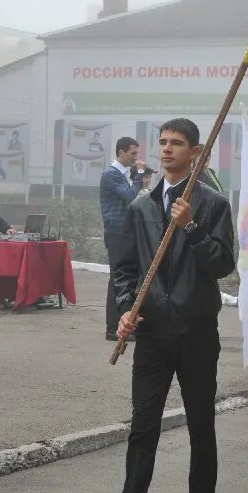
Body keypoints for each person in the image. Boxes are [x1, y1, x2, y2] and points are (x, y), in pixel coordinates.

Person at [91, 119, 234, 493]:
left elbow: (222, 265)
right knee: (143, 427)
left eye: (178, 144)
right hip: (152, 333)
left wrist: (190, 228)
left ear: (196, 152)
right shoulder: (141, 206)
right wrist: (125, 311)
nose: (168, 150)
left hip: (194, 330)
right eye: (164, 143)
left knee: (200, 424)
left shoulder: (212, 204)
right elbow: (127, 267)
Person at [99, 137, 144, 341]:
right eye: (132, 154)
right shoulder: (111, 174)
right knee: (117, 279)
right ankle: (111, 328)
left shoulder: (123, 174)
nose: (135, 158)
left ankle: (124, 325)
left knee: (126, 279)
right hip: (117, 233)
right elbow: (129, 196)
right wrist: (140, 175)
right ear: (121, 152)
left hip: (126, 232)